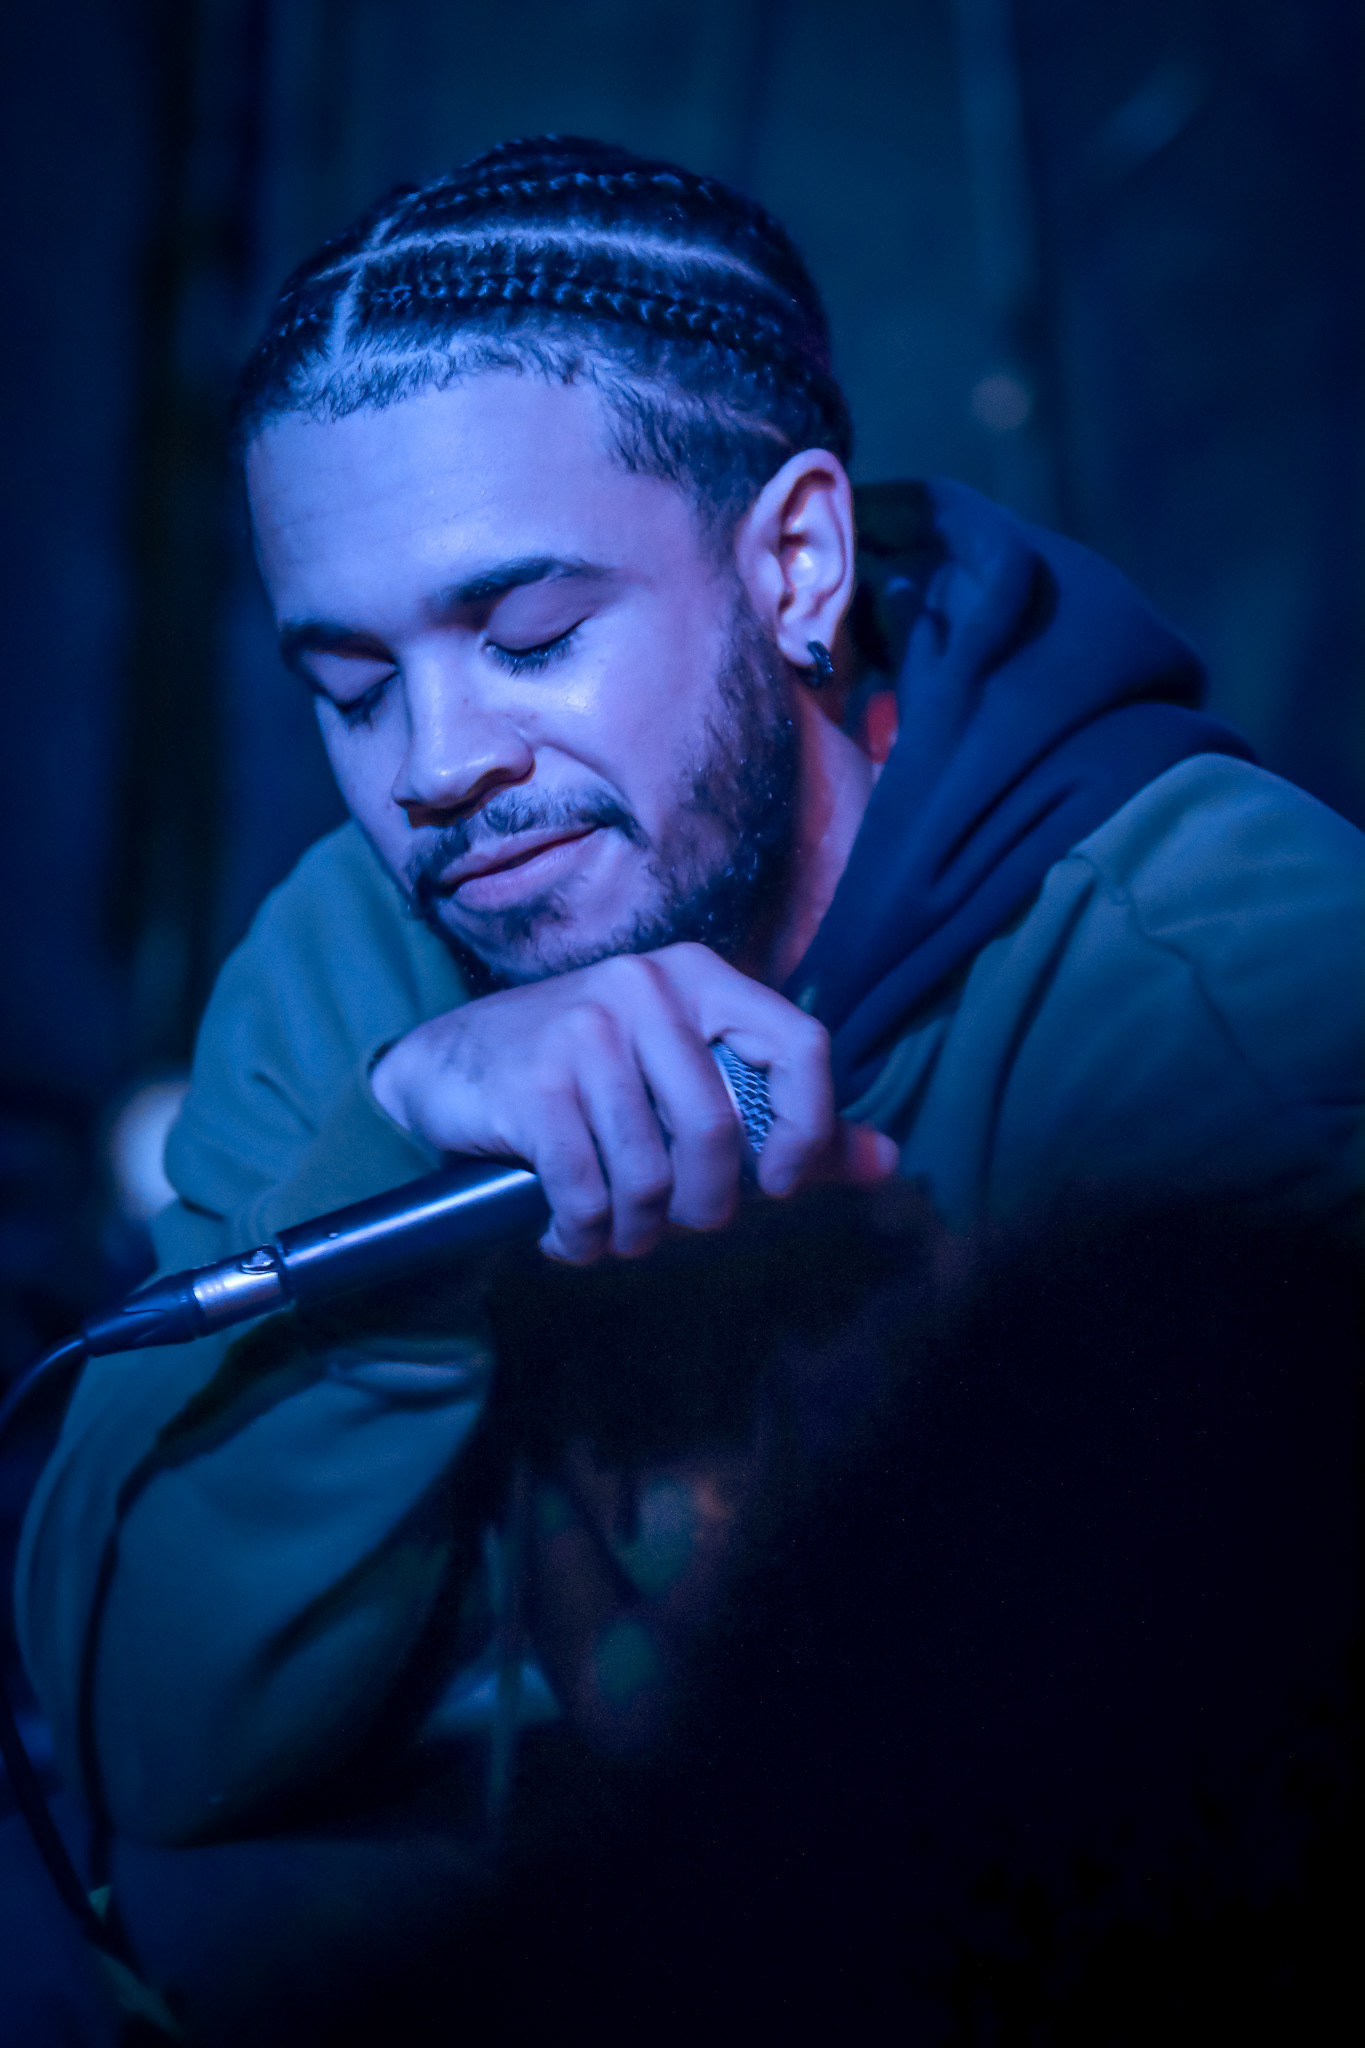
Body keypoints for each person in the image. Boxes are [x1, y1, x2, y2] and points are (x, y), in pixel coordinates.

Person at [9, 136, 1362, 2042]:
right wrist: (394, 1168)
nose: (434, 769)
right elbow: (143, 1745)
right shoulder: (351, 958)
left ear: (794, 564)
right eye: (352, 687)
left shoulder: (1229, 991)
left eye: (531, 637)